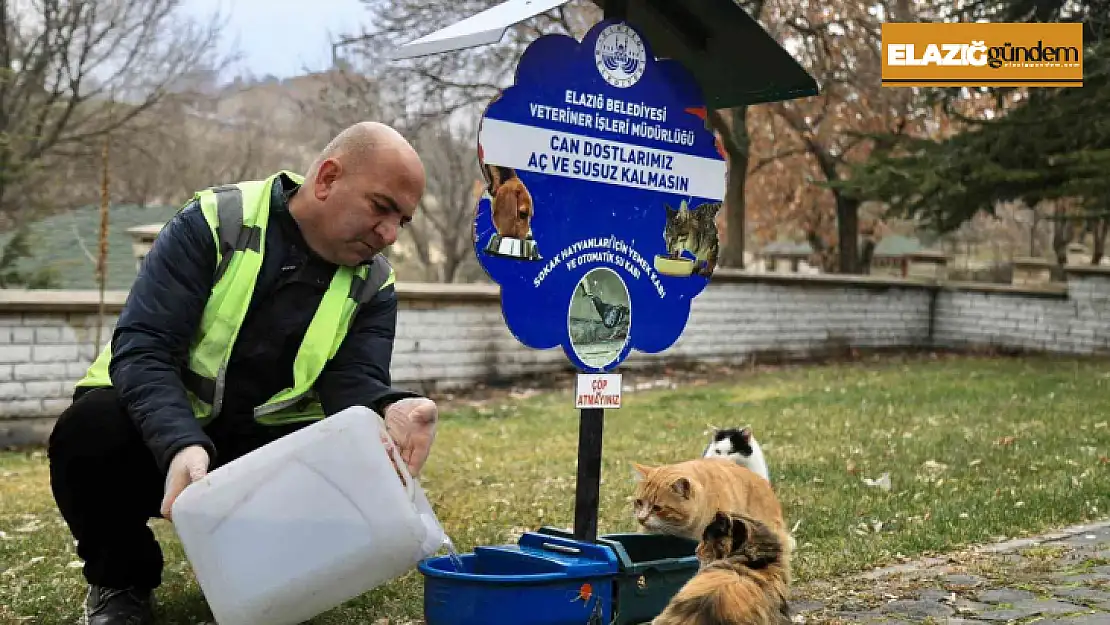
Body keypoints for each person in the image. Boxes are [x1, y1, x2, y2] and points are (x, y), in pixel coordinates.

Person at [46, 122, 440, 625]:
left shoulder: (375, 284)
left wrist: (391, 407)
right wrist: (179, 444)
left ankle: (263, 577)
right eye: (381, 207)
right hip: (164, 440)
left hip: (266, 457)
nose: (388, 233)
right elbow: (143, 348)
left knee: (351, 461)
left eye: (401, 221)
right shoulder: (214, 222)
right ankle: (121, 582)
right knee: (89, 430)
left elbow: (354, 384)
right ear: (326, 178)